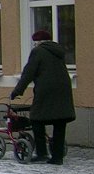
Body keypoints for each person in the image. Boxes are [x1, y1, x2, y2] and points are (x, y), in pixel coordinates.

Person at [10, 29, 75, 165]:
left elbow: (28, 73)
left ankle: (41, 153)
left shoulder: (38, 51)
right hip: (63, 90)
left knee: (36, 120)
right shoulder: (58, 51)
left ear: (39, 42)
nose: (34, 45)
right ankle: (57, 157)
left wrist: (17, 91)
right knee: (59, 122)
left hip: (46, 91)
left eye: (35, 42)